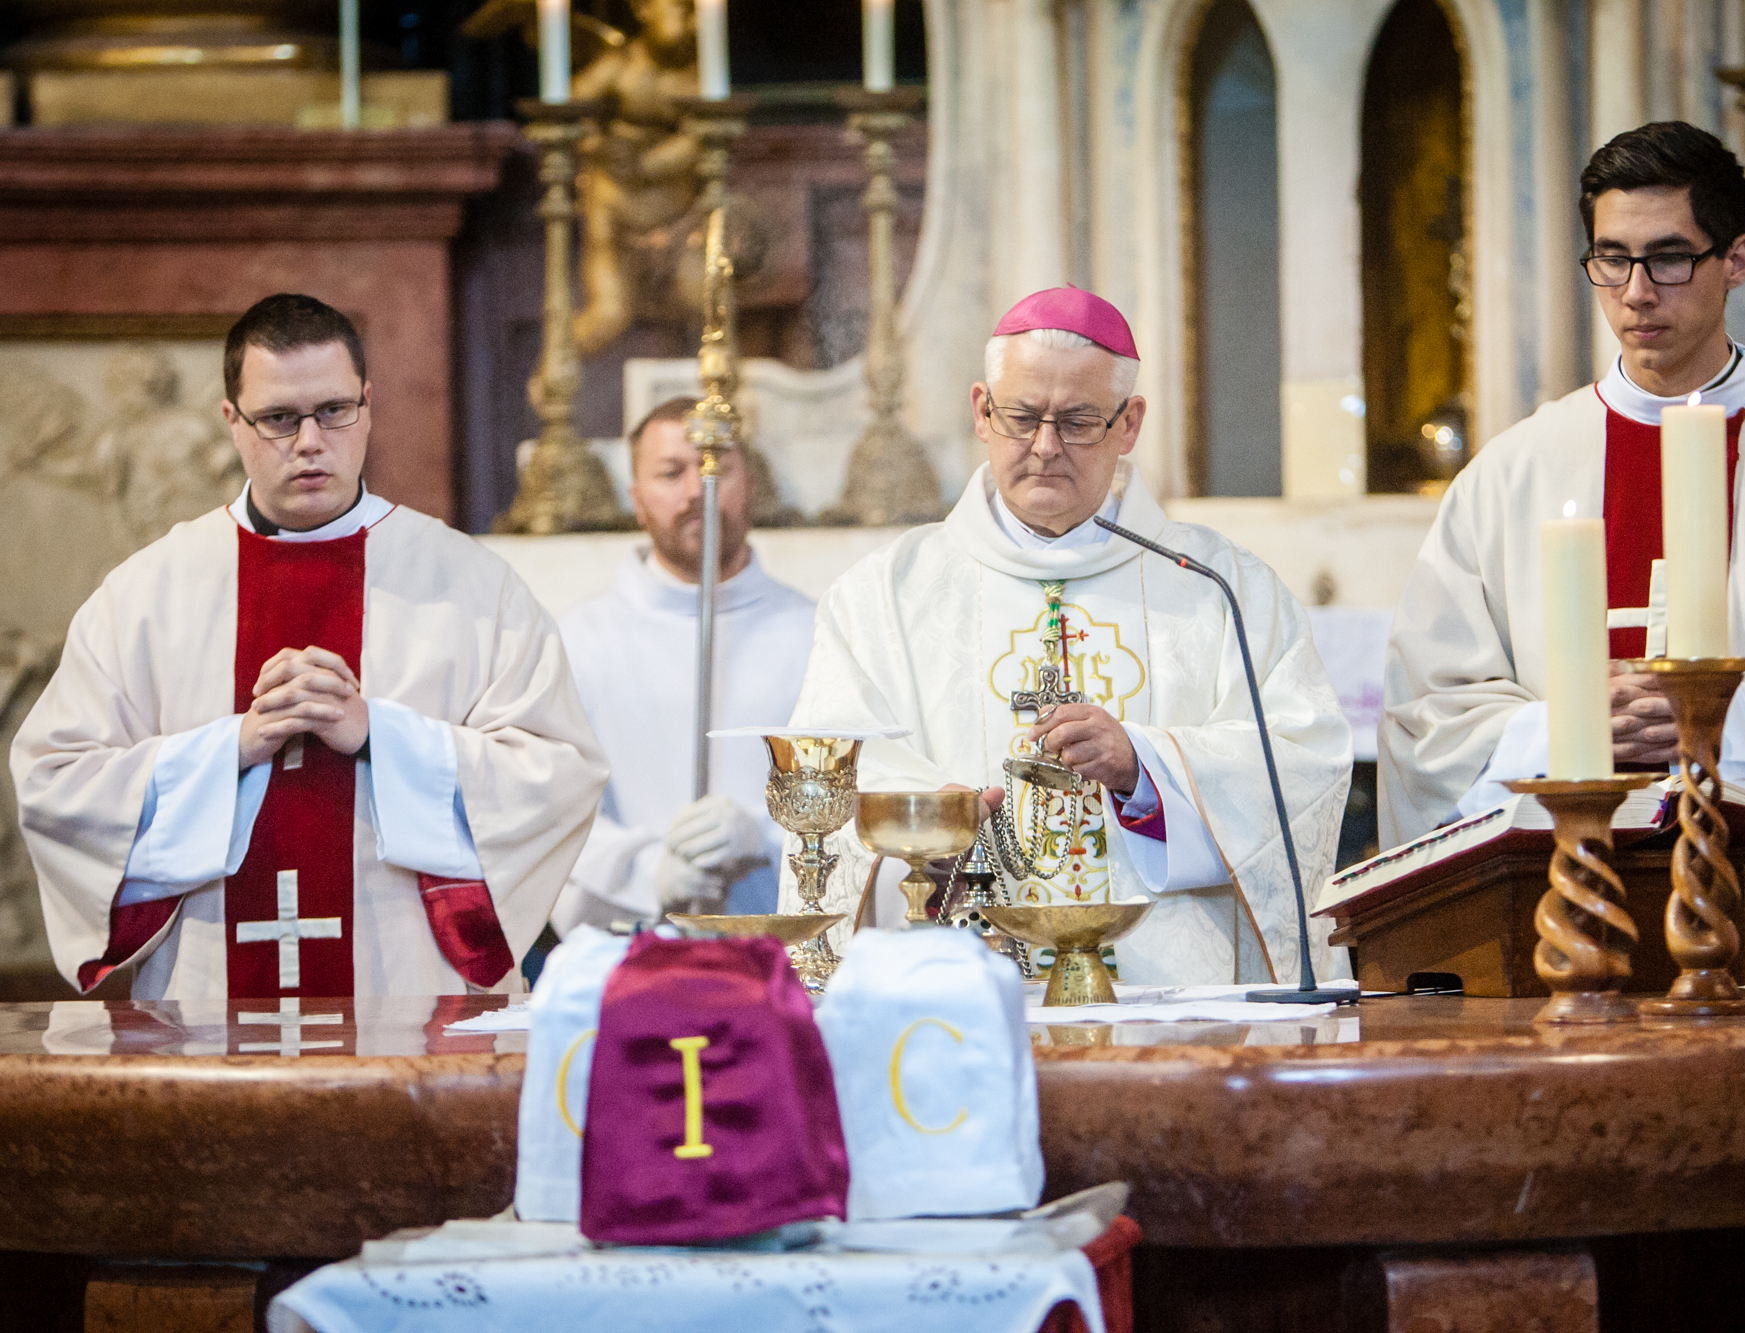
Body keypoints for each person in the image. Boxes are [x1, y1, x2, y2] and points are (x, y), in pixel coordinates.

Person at [1375, 122, 1745, 976]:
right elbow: (1426, 730)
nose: (1636, 292)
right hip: (1557, 934)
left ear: (1738, 258)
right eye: (1610, 258)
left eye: (1669, 257)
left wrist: (1729, 723)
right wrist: (1566, 731)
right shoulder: (1509, 477)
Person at [11, 294, 607, 999]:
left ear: (369, 404)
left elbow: (556, 775)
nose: (310, 441)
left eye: (334, 410)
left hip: (406, 997)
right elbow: (55, 786)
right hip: (207, 1002)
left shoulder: (469, 585)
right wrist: (228, 748)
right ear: (231, 421)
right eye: (279, 418)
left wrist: (379, 735)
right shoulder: (146, 595)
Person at [783, 287, 1353, 986]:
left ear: (1130, 423)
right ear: (981, 412)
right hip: (963, 996)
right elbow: (831, 780)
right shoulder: (883, 595)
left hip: (1177, 1008)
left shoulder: (1222, 588)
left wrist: (1146, 768)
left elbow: (1305, 764)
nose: (1046, 447)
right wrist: (939, 821)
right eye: (1022, 416)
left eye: (1079, 421)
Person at [551, 397, 816, 933]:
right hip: (632, 953)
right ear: (637, 501)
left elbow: (857, 795)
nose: (699, 490)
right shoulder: (580, 641)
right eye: (671, 473)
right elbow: (551, 812)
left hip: (784, 955)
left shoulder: (818, 632)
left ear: (752, 482)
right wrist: (650, 875)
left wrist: (763, 838)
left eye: (719, 468)